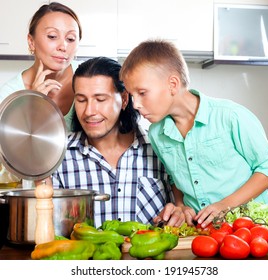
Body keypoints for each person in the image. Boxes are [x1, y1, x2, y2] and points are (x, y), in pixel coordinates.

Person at [119, 39, 268, 229]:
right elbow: (175, 179)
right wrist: (180, 206)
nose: (135, 104)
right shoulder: (157, 133)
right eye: (132, 95)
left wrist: (224, 205)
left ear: (173, 84)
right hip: (201, 233)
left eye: (142, 93)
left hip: (250, 231)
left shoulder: (230, 116)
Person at [43, 56, 184, 228]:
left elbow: (182, 207)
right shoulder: (58, 155)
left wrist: (179, 212)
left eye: (100, 100)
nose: (89, 111)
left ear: (124, 99)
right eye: (81, 100)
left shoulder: (161, 149)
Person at [0, 2, 82, 131]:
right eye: (52, 36)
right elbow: (11, 148)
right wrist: (33, 107)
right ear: (31, 42)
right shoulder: (9, 95)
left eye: (71, 39)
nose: (63, 46)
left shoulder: (90, 77)